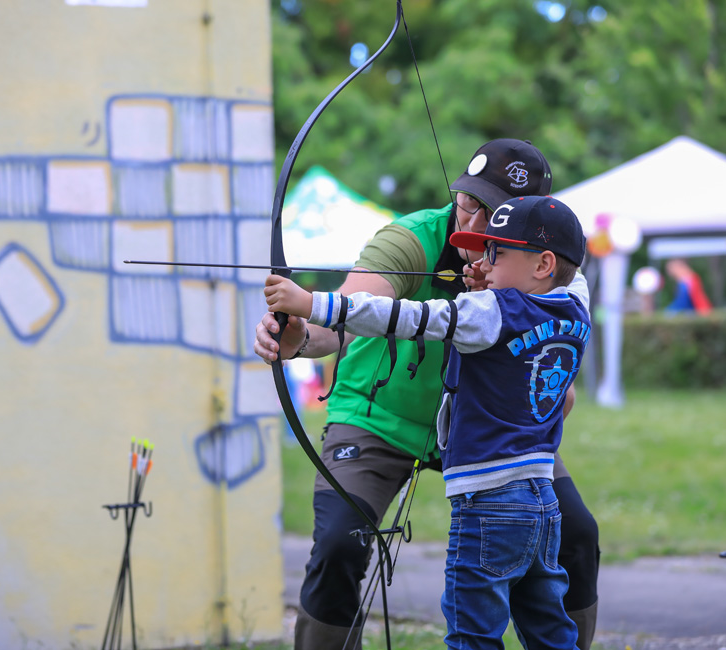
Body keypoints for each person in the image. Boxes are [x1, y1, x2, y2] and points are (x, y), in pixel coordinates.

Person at [255, 139, 599, 649]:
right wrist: (301, 332)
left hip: (485, 430)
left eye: (494, 215)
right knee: (338, 545)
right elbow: (348, 315)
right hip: (379, 418)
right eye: (467, 201)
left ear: (531, 234)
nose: (474, 222)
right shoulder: (412, 238)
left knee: (576, 535)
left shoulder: (549, 276)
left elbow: (555, 393)